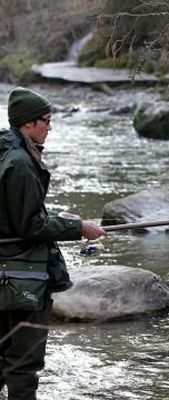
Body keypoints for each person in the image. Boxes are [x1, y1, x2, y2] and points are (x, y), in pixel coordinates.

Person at [0, 87, 106, 400]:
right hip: (21, 282)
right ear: (28, 124)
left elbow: (12, 212)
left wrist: (57, 216)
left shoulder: (5, 152)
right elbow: (30, 224)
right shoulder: (19, 162)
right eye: (46, 120)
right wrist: (79, 227)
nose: (50, 127)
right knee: (22, 367)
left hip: (6, 274)